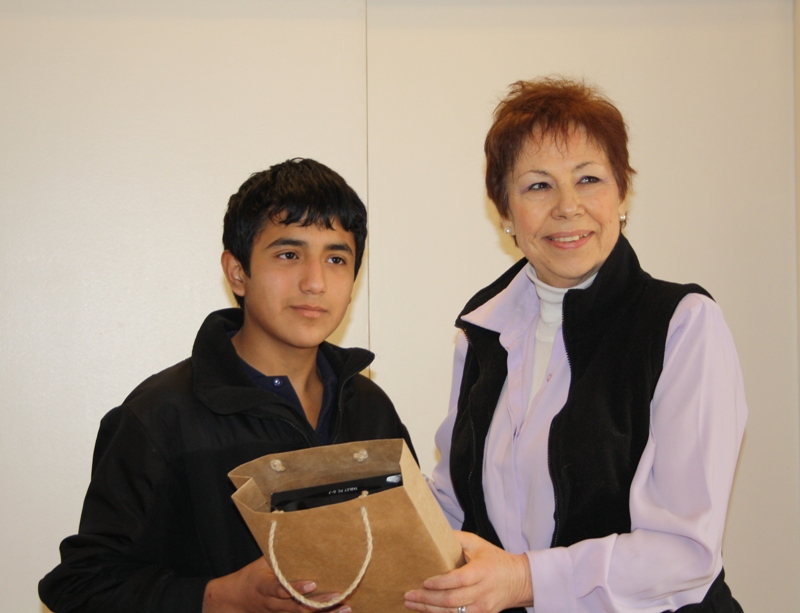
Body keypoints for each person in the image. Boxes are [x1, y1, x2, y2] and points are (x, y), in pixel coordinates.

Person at [404, 78, 746, 613]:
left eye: (588, 179)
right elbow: (453, 503)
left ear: (621, 193)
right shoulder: (481, 333)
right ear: (505, 212)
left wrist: (523, 579)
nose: (568, 207)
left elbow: (685, 553)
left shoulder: (682, 325)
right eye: (538, 186)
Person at [39, 158, 415, 613]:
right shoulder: (161, 415)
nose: (315, 282)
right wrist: (220, 597)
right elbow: (80, 586)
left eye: (336, 258)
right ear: (237, 272)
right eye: (288, 254)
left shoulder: (369, 406)